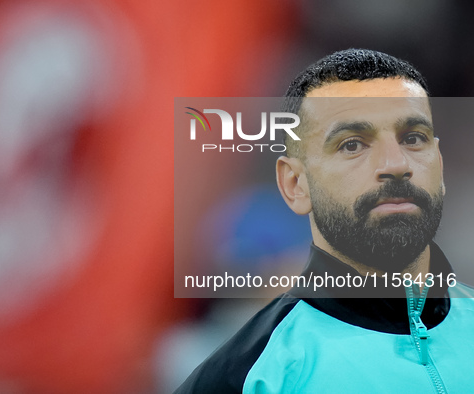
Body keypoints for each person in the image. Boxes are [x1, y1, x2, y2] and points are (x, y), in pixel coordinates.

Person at [175, 48, 474, 393]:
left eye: (413, 138)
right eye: (351, 145)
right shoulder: (248, 374)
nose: (395, 163)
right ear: (295, 183)